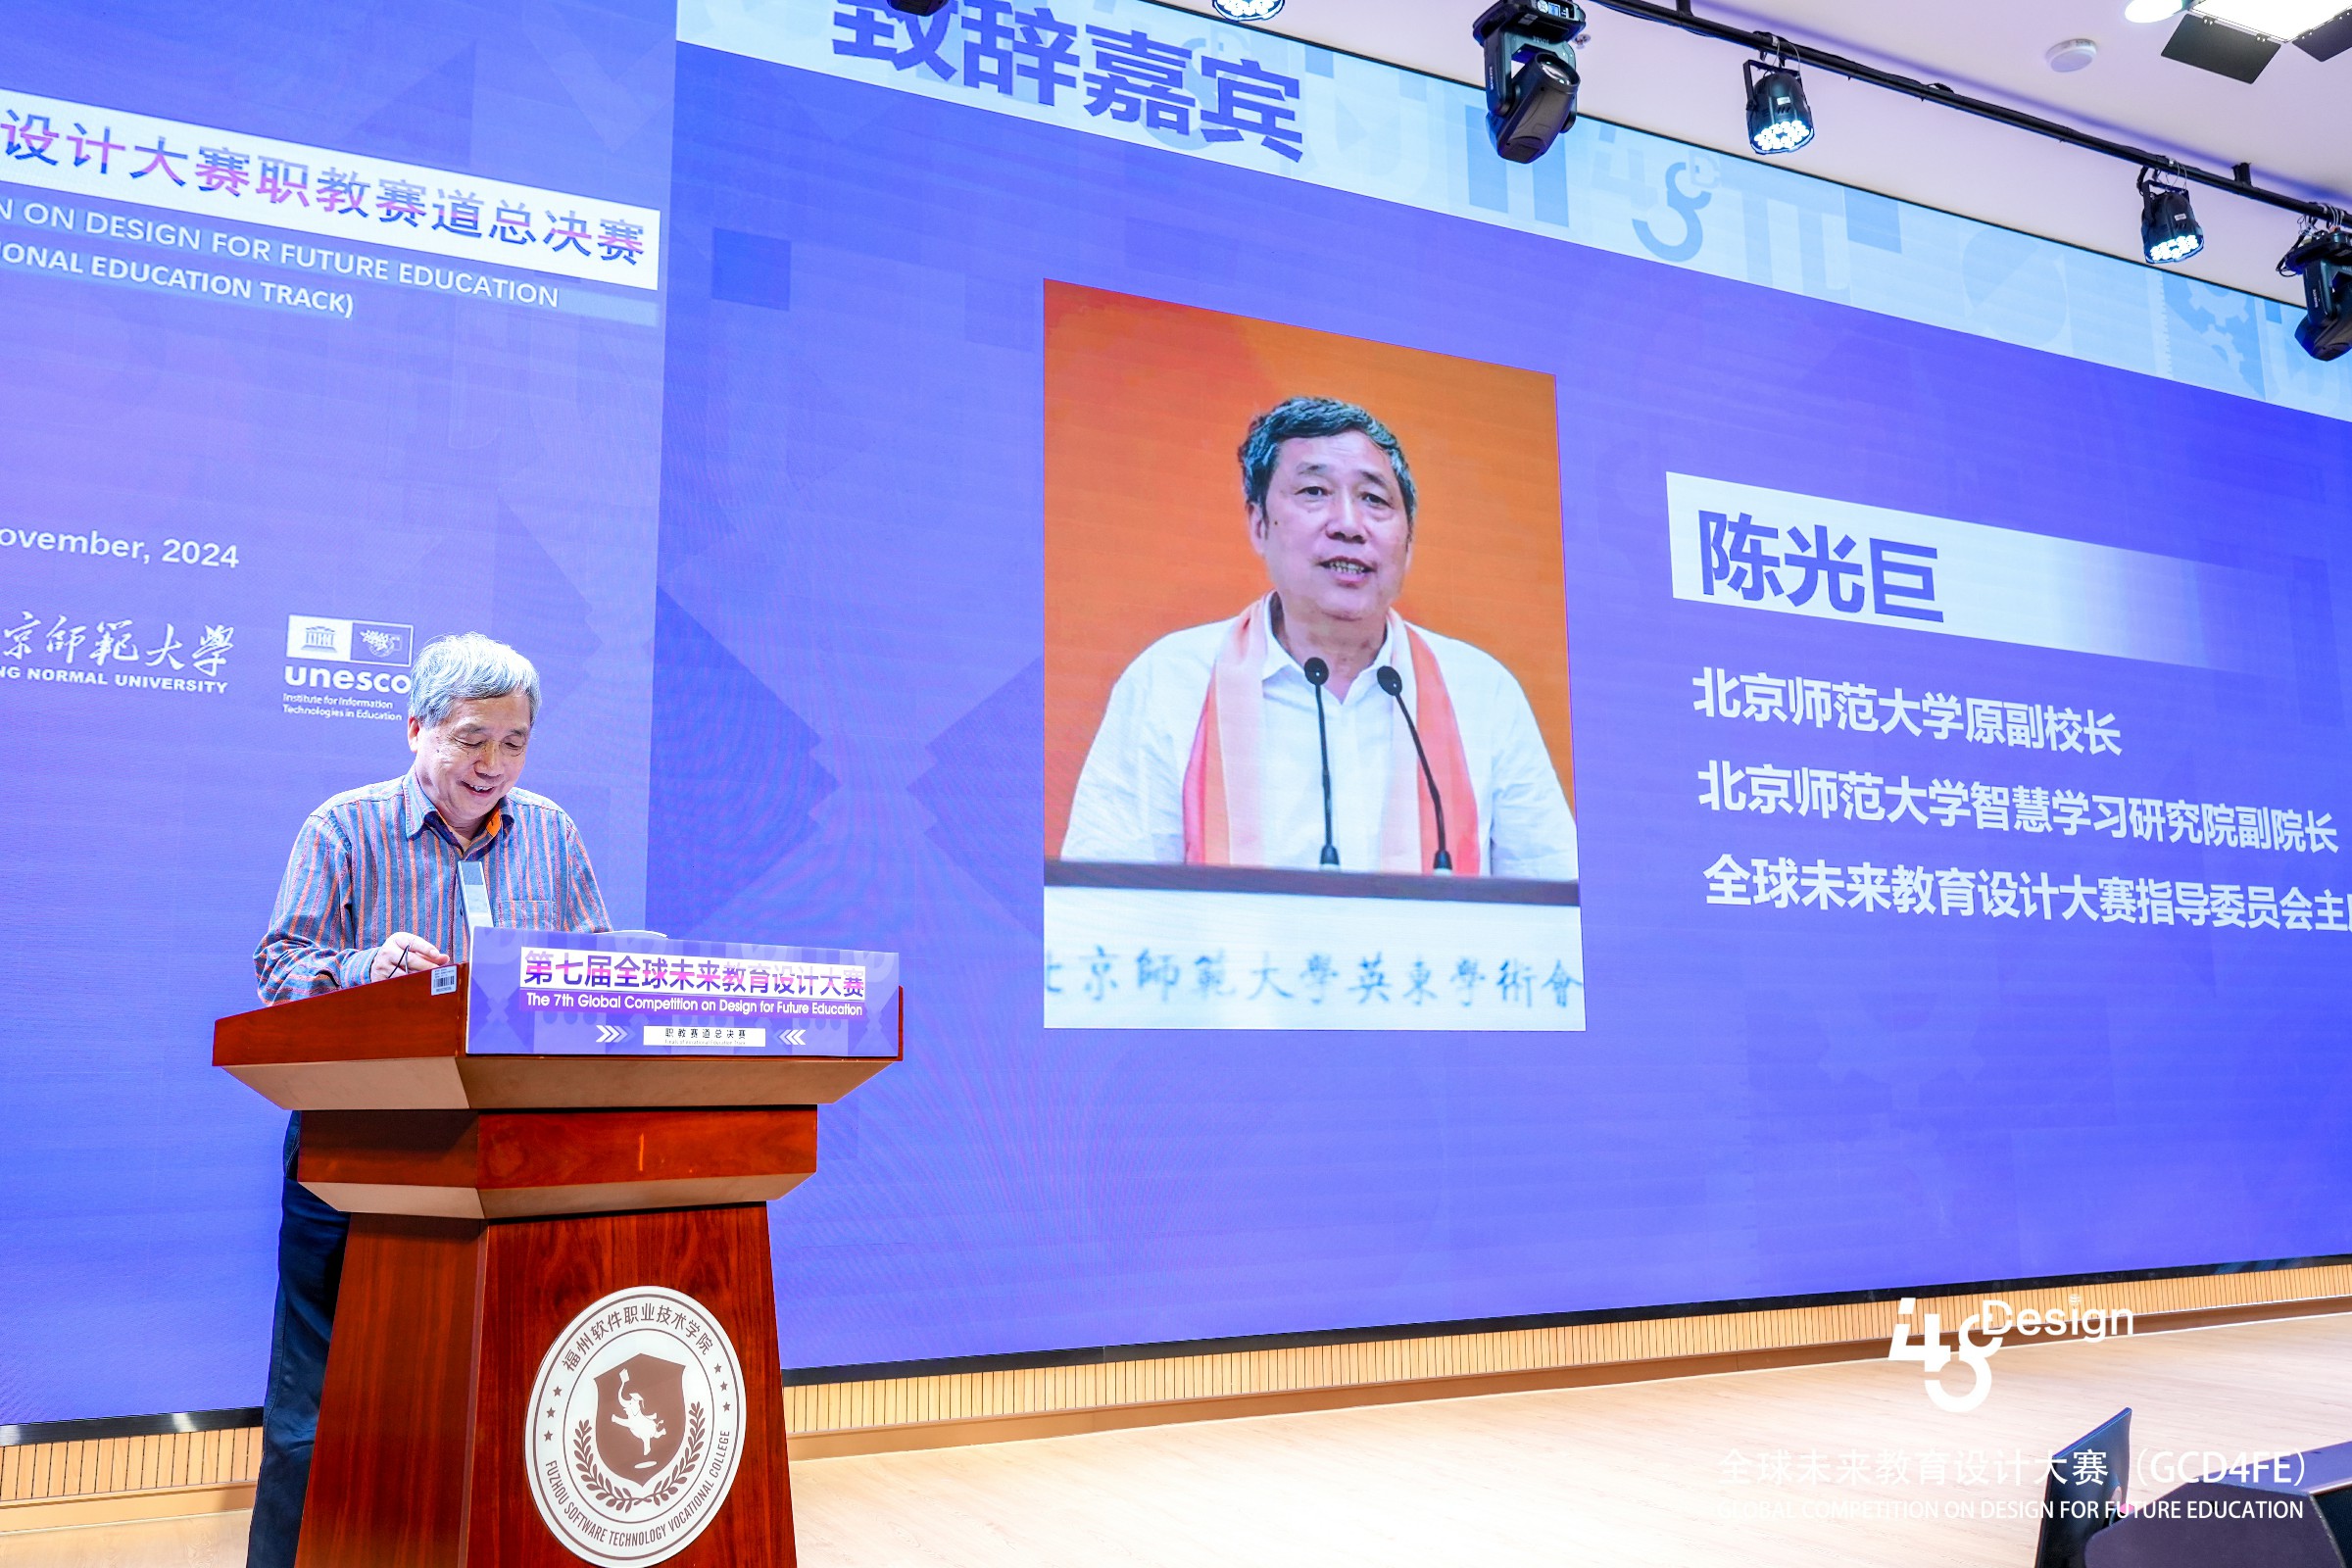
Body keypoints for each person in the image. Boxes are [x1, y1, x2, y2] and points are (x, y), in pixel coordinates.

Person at [246, 632, 610, 1568]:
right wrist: (370, 969)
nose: (494, 765)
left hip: (514, 1158)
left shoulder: (553, 835)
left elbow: (597, 977)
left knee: (500, 1392)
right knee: (319, 1401)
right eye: (470, 739)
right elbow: (280, 970)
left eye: (514, 743)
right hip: (361, 1153)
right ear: (416, 729)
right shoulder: (344, 828)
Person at [1061, 395, 1578, 878]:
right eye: (1314, 492)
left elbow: (1556, 899)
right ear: (1259, 524)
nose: (1349, 524)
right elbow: (1105, 900)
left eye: (1374, 499)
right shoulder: (1173, 680)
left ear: (1408, 542)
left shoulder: (1481, 692)